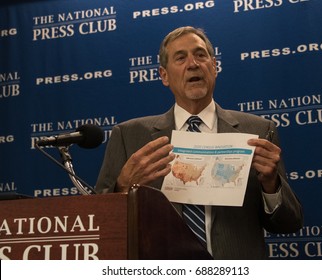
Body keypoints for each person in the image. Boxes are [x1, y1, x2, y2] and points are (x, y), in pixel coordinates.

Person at [95, 26, 303, 259]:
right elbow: (98, 227)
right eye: (180, 58)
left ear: (214, 66)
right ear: (164, 75)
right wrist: (122, 188)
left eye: (200, 55)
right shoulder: (129, 135)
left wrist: (271, 184)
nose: (193, 64)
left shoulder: (257, 131)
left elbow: (288, 223)